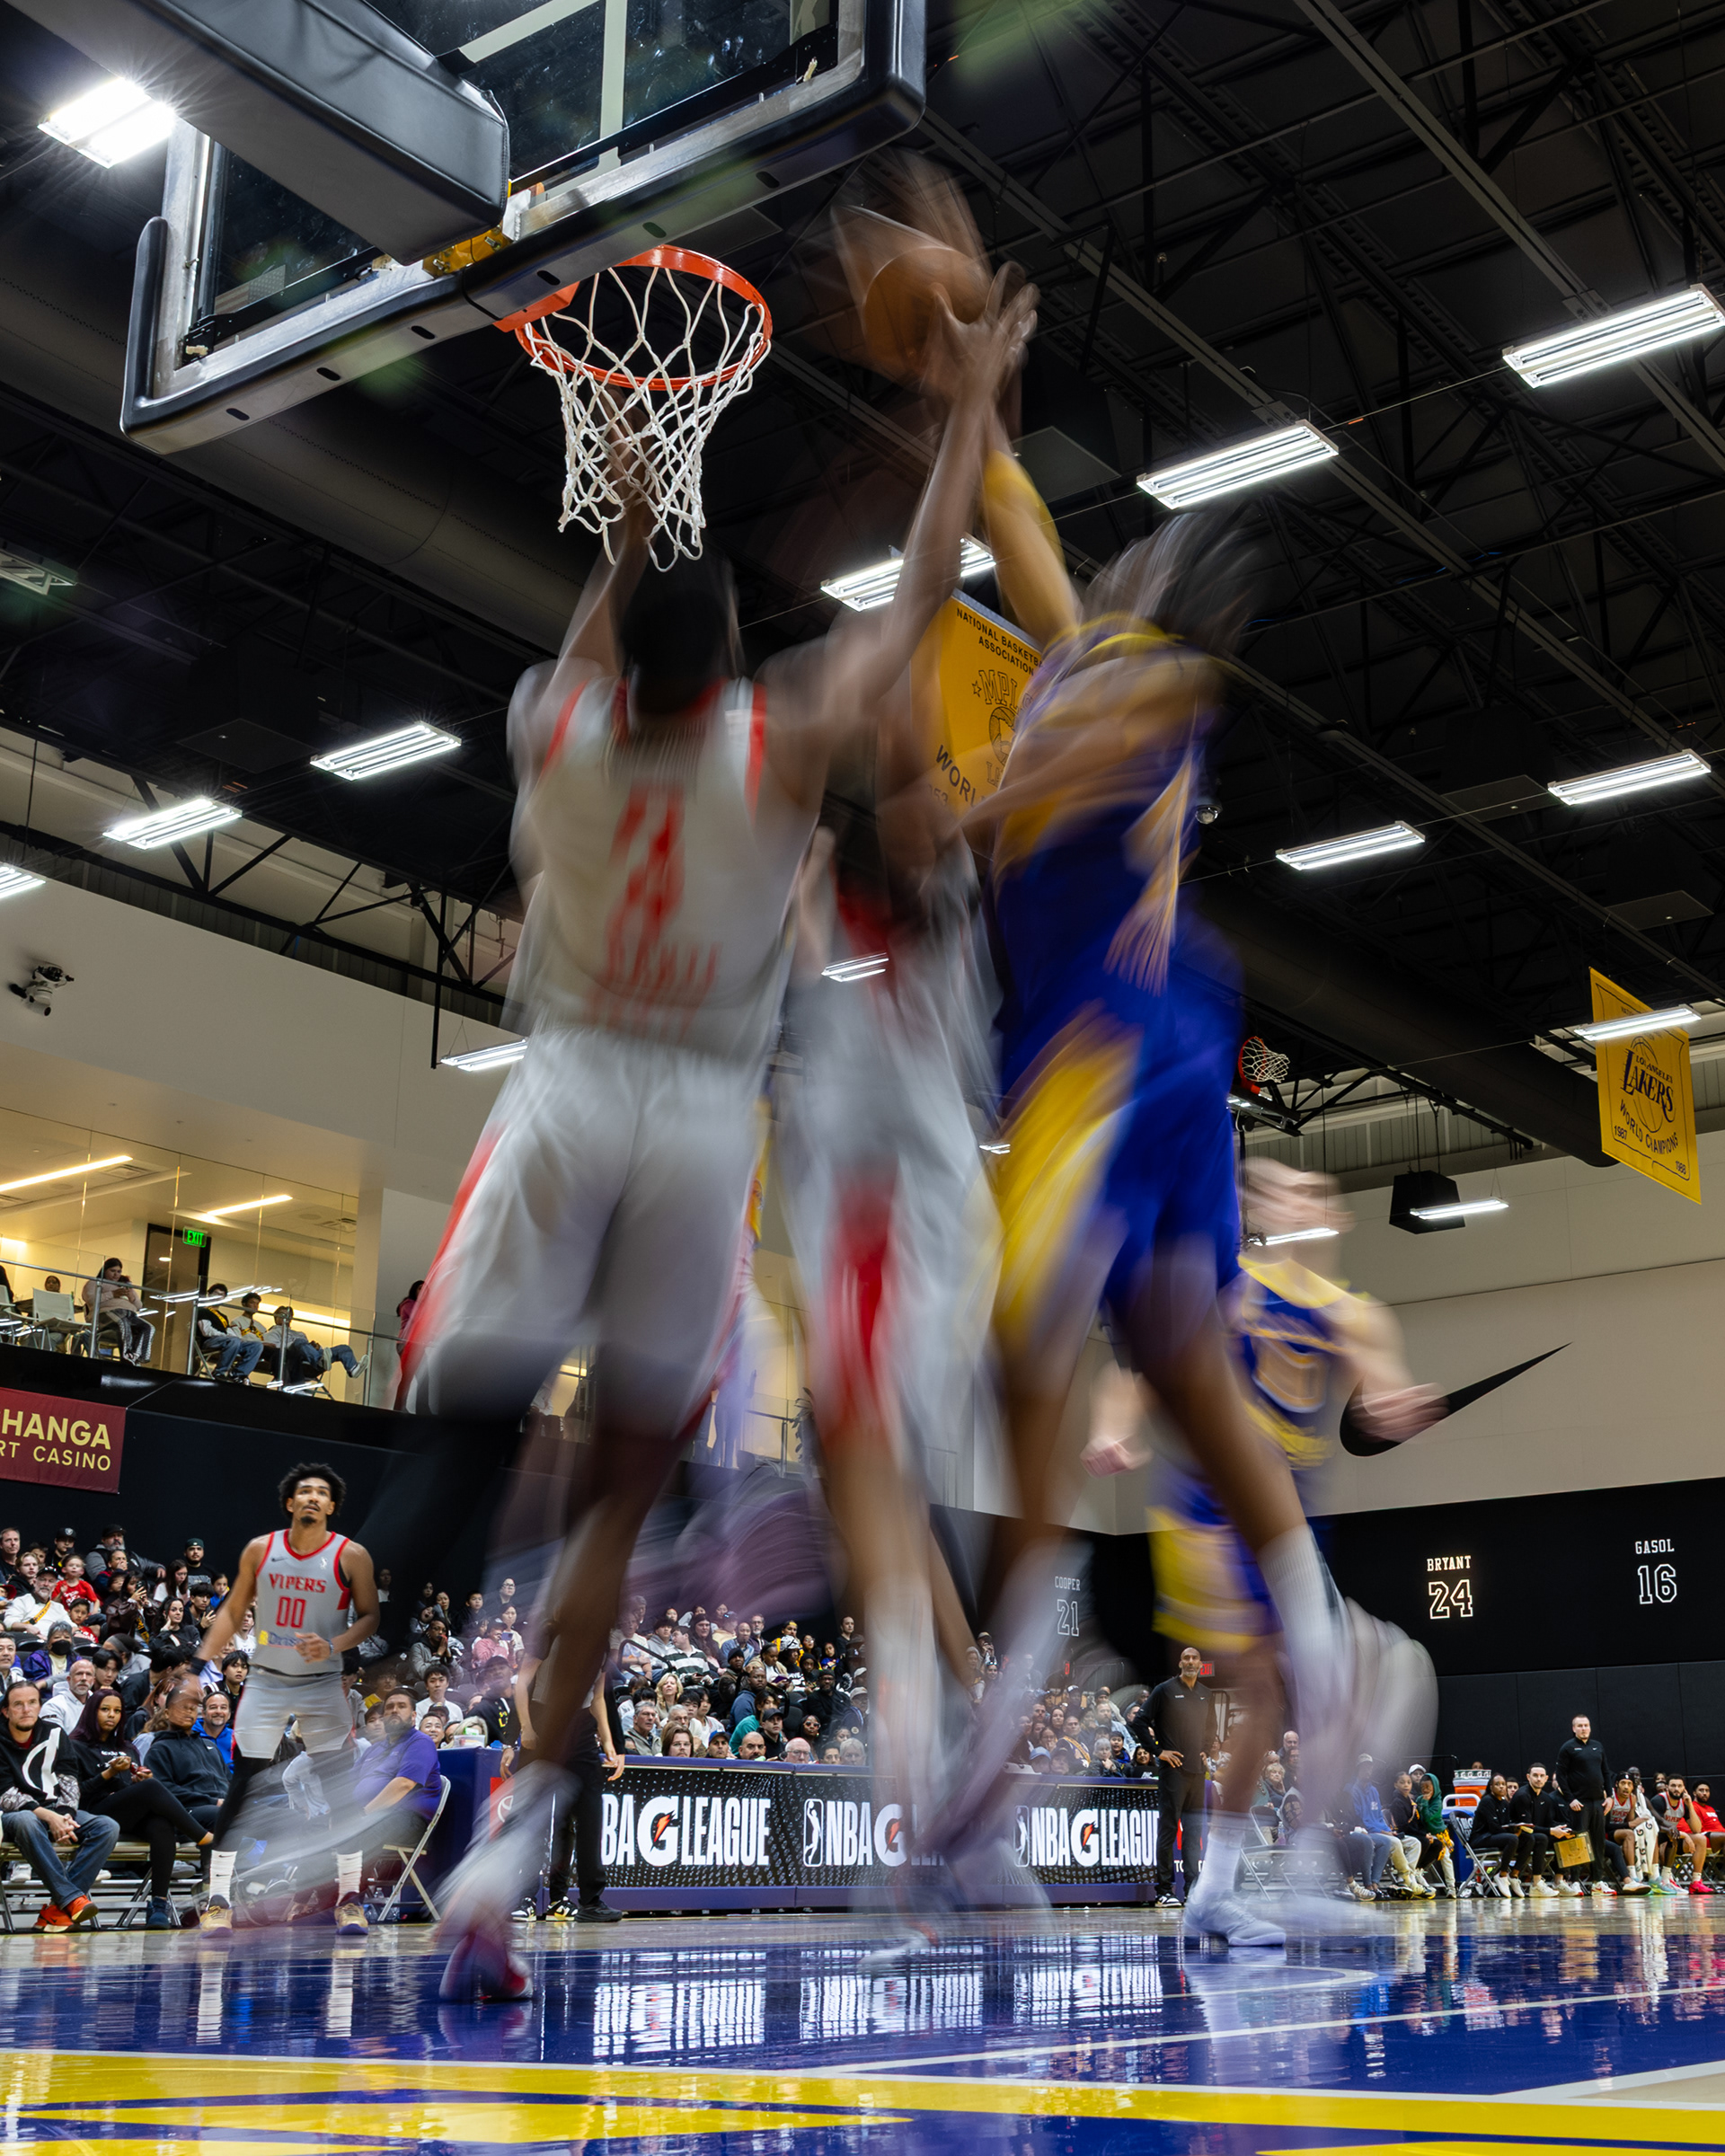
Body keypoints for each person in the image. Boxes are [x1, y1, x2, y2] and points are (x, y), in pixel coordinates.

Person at [408, 287, 1031, 2004]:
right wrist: (965, 412)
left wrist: (623, 506)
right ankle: (520, 1836)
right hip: (699, 1119)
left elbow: (611, 643)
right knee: (612, 1497)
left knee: (470, 1439)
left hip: (570, 1084)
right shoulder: (781, 750)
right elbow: (914, 609)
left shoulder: (559, 726)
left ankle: (401, 1797)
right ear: (737, 666)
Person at [966, 434, 1431, 1953]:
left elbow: (1070, 759)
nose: (1109, 557)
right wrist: (969, 386)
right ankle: (1290, 1663)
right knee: (1167, 1357)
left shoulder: (1150, 671)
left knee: (1029, 1349)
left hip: (1109, 1042)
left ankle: (1025, 1684)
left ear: (1165, 588)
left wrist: (960, 795)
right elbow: (1010, 511)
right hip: (1150, 1036)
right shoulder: (1095, 650)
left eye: (1141, 554)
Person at [198, 1464, 379, 1937]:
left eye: (322, 1493)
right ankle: (217, 1899)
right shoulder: (262, 1549)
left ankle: (350, 1899)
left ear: (332, 1505)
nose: (313, 1498)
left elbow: (371, 1616)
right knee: (242, 1785)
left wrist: (334, 1644)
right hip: (267, 1678)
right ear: (290, 1503)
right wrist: (199, 1663)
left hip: (322, 1683)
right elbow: (233, 1610)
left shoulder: (351, 1554)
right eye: (305, 1492)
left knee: (338, 1789)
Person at [510, 1618, 624, 1926]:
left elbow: (598, 1696)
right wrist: (527, 1728)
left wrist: (609, 1742)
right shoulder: (551, 1634)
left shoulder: (603, 1644)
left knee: (589, 1816)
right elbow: (521, 1683)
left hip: (582, 1727)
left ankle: (589, 1901)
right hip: (545, 1721)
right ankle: (525, 1898)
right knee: (535, 1817)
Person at [70, 1686, 214, 1928]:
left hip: (126, 1813)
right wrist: (109, 1773)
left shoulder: (128, 1747)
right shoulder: (75, 1746)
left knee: (161, 1823)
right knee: (152, 1789)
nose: (111, 1715)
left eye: (116, 1711)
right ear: (91, 1712)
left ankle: (158, 1903)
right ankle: (203, 1837)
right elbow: (77, 1794)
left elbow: (130, 1786)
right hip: (93, 1815)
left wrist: (137, 1780)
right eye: (105, 1710)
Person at [0, 1678, 119, 1929]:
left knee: (107, 1826)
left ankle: (59, 1908)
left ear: (39, 1706)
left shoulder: (55, 1733)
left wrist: (64, 1816)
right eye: (18, 1704)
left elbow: (69, 1778)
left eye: (32, 1703)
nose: (26, 1709)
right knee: (26, 1821)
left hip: (56, 1809)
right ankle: (71, 1898)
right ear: (6, 1711)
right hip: (16, 1814)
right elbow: (5, 1793)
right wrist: (49, 1817)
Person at [1147, 1646, 1217, 1907]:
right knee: (1167, 1832)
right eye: (1186, 1658)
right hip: (1172, 1774)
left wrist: (1205, 1749)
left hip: (1197, 1774)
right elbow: (1139, 1722)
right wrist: (1158, 1751)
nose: (1190, 1661)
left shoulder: (1206, 1694)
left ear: (1200, 1663)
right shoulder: (1165, 1690)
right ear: (1180, 1664)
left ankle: (1192, 1890)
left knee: (1193, 1835)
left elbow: (1212, 1727)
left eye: (1194, 1658)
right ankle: (1163, 1891)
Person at [1554, 1713, 1623, 1894]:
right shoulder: (1567, 1748)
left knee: (1599, 1842)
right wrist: (1570, 1799)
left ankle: (1597, 1882)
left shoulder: (1597, 1746)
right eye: (1580, 1726)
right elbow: (1560, 1776)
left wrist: (1610, 1796)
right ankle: (1575, 1881)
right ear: (1574, 1728)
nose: (1583, 1728)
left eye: (1586, 1725)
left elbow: (1606, 1773)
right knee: (1578, 1841)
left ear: (1590, 1727)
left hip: (1599, 1803)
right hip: (1580, 1803)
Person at [259, 1308, 367, 1392]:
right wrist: (296, 1344)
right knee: (299, 1342)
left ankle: (353, 1368)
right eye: (282, 1315)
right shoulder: (272, 1332)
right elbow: (274, 1349)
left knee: (343, 1348)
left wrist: (314, 1347)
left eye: (288, 1316)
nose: (285, 1318)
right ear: (276, 1317)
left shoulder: (300, 1333)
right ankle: (319, 1361)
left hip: (308, 1356)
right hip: (292, 1357)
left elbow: (305, 1347)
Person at [1508, 1762, 1574, 1896]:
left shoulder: (1546, 1798)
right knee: (1541, 1838)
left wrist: (1560, 1829)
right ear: (1528, 1777)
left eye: (1541, 1776)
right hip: (1518, 1837)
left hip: (1535, 1835)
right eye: (1535, 1775)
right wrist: (1551, 1831)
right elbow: (1527, 1827)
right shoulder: (1522, 1796)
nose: (1538, 1778)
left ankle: (1559, 1880)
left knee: (1565, 1837)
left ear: (1546, 1778)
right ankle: (1536, 1883)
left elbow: (1549, 1822)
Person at [82, 1259, 154, 1363]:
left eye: (119, 1271)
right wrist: (112, 1294)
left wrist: (131, 1297)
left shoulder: (125, 1284)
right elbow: (91, 1299)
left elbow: (139, 1306)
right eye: (113, 1271)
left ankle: (138, 1356)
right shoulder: (95, 1282)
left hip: (130, 1314)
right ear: (105, 1270)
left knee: (148, 1328)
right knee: (122, 1323)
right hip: (107, 1314)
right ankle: (126, 1357)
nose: (116, 1274)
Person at [197, 1287, 265, 1384]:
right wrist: (227, 1336)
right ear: (209, 1294)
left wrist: (237, 1339)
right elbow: (206, 1331)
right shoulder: (203, 1311)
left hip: (226, 1341)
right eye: (216, 1293)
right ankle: (219, 1372)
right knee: (234, 1341)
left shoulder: (223, 1316)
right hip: (210, 1341)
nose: (218, 1297)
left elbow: (229, 1331)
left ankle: (238, 1373)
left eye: (222, 1295)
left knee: (257, 1346)